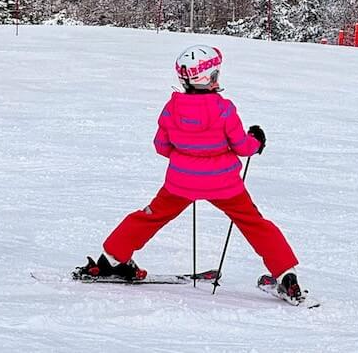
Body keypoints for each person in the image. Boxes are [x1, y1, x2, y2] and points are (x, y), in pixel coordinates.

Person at [76, 44, 305, 303]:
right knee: (254, 223)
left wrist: (187, 154)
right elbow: (242, 147)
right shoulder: (224, 108)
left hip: (180, 183)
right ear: (210, 78)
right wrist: (256, 141)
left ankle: (111, 260)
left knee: (150, 217)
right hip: (224, 184)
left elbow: (161, 146)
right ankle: (286, 276)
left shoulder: (172, 108)